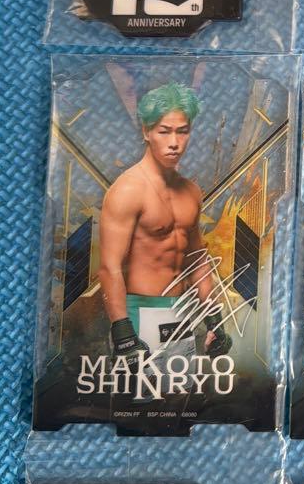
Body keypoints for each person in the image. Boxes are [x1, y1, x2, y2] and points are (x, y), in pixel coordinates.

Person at [98, 83, 230, 396]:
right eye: (164, 131)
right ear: (146, 131)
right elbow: (109, 266)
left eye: (182, 132)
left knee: (178, 402)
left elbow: (197, 259)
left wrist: (214, 319)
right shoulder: (128, 190)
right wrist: (122, 330)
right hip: (139, 312)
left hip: (181, 313)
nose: (174, 143)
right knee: (138, 409)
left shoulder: (191, 191)